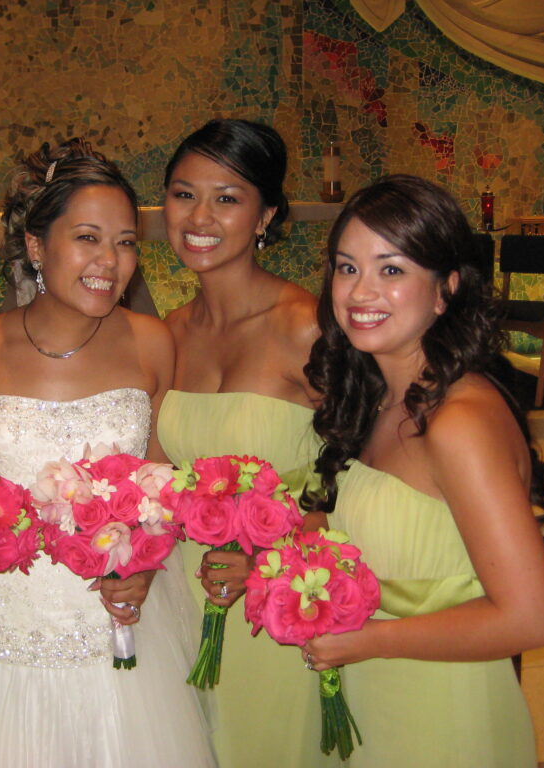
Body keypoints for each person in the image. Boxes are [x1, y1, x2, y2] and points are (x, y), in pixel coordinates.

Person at [0, 139, 215, 768]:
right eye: (87, 237)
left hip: (121, 639)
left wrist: (144, 564)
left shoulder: (151, 342)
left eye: (126, 241)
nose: (110, 260)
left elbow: (161, 487)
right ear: (36, 245)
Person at [302, 174, 544, 767]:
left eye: (391, 269)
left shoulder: (457, 423)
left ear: (445, 289)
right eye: (347, 268)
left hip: (440, 715)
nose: (360, 291)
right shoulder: (378, 397)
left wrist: (369, 639)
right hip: (378, 698)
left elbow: (534, 619)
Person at [155, 118, 329, 767]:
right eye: (183, 194)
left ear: (266, 216)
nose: (199, 217)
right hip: (179, 595)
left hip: (276, 601)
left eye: (226, 198)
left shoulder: (305, 327)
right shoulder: (167, 333)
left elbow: (361, 471)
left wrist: (277, 557)